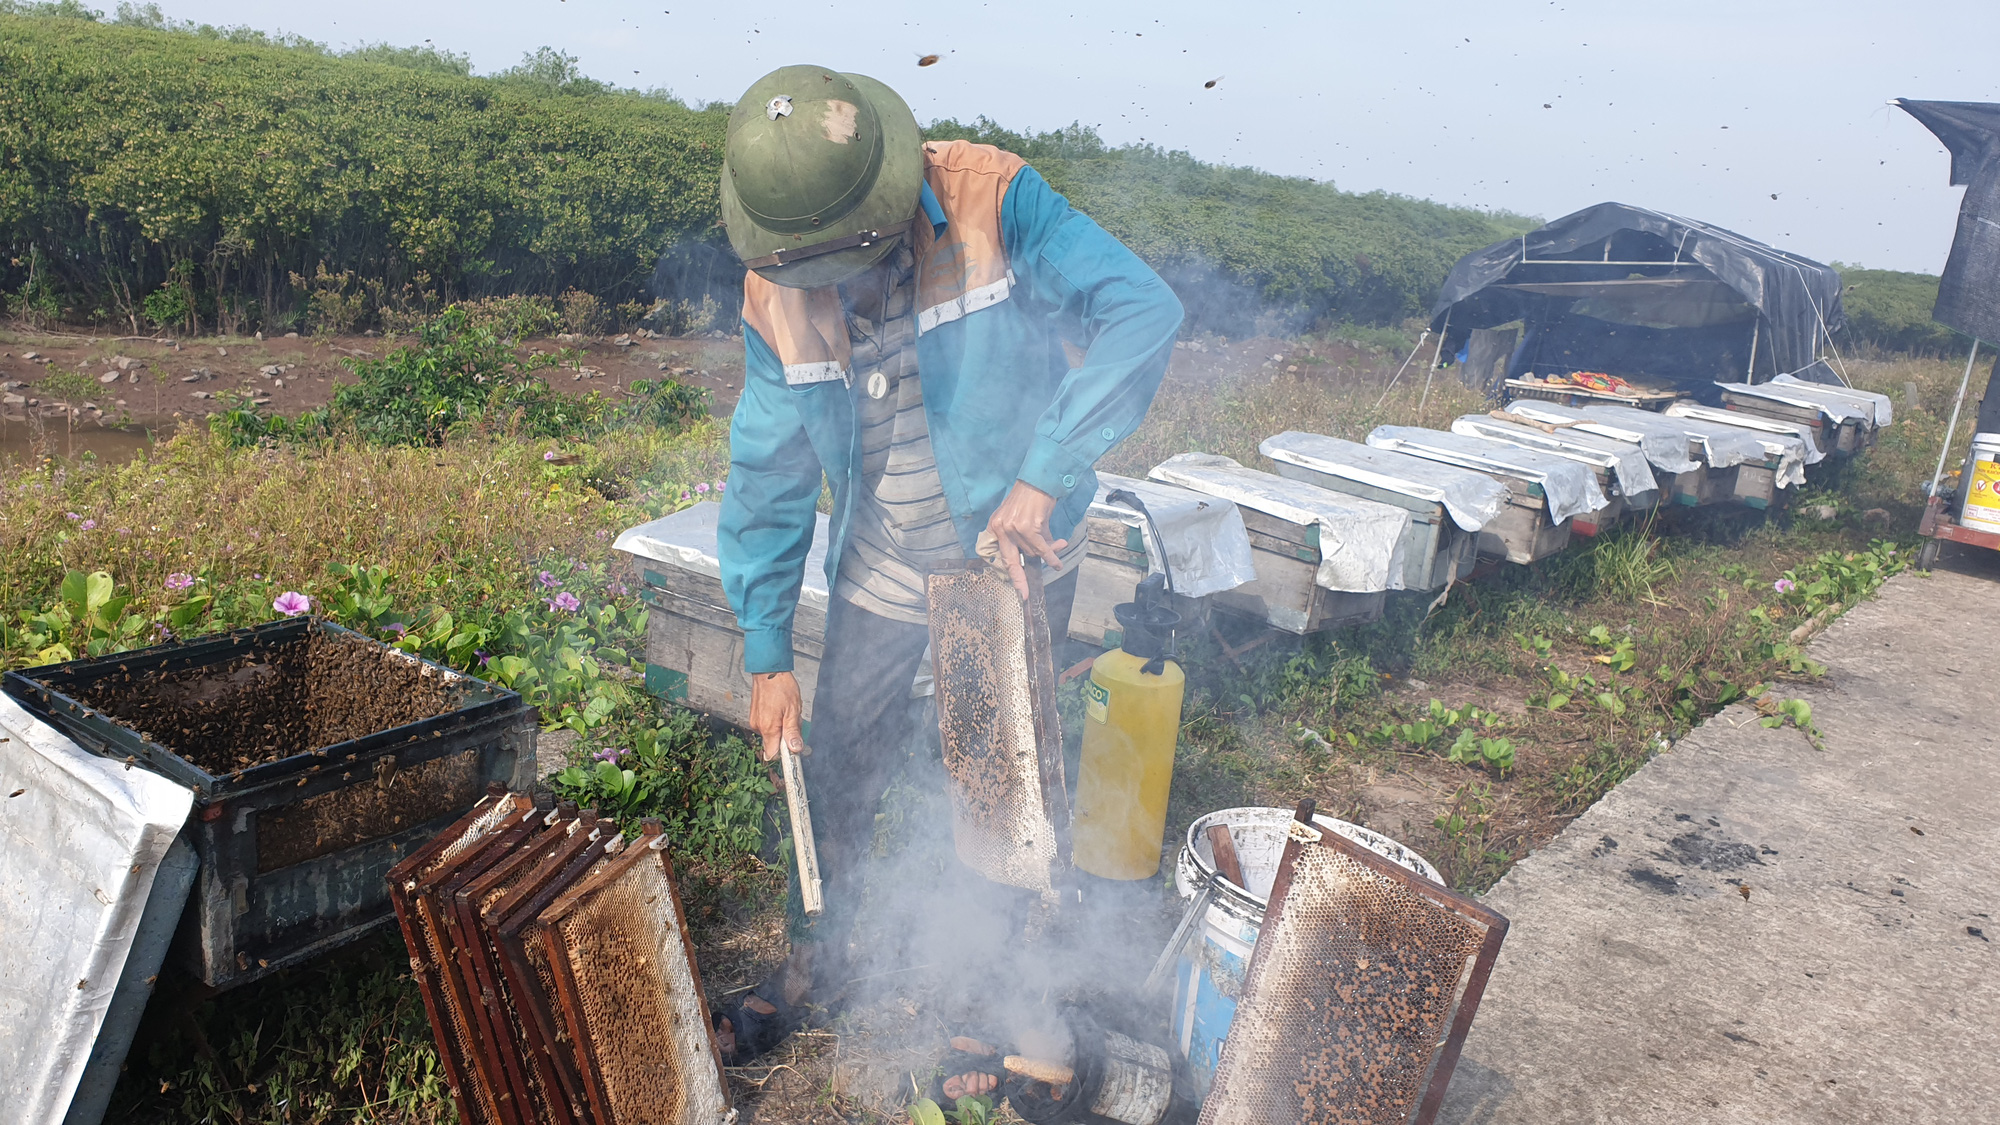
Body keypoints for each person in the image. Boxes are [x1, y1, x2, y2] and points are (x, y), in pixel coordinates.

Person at [711, 64, 1183, 1061]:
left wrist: (1045, 473)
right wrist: (764, 649)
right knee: (833, 766)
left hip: (1001, 559)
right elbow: (765, 474)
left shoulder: (990, 198)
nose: (835, 291)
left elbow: (1142, 312)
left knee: (988, 777)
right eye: (815, 275)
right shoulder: (773, 295)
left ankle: (991, 976)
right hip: (879, 569)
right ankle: (818, 957)